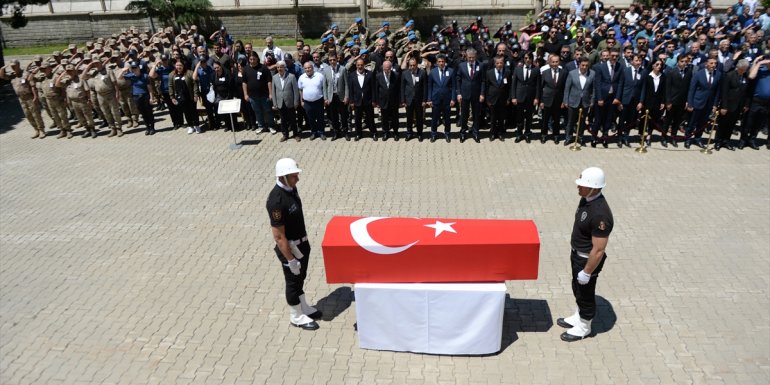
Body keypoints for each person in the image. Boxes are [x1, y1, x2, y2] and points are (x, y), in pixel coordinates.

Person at [558, 166, 613, 342]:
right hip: (577, 254)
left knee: (585, 292)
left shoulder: (600, 214)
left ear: (595, 187)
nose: (578, 187)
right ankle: (578, 315)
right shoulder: (586, 199)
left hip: (586, 259)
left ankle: (584, 326)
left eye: (582, 185)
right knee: (577, 287)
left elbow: (598, 249)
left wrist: (587, 271)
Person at [266, 158, 322, 331]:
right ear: (283, 177)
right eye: (294, 175)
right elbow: (279, 236)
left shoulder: (291, 189)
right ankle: (296, 316)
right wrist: (290, 259)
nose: (297, 178)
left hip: (301, 244)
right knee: (292, 281)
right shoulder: (276, 201)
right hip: (289, 249)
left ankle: (302, 306)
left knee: (300, 278)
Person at [1, 61, 46, 138]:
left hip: (30, 97)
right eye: (11, 66)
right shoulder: (12, 75)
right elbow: (2, 77)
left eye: (14, 66)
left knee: (36, 114)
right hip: (21, 99)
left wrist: (35, 97)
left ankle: (41, 130)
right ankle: (36, 129)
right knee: (28, 115)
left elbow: (32, 86)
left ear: (18, 65)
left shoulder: (25, 74)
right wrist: (2, 69)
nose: (12, 67)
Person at [685, 57, 721, 149]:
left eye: (715, 63)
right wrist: (690, 103)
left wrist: (715, 104)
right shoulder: (698, 74)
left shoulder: (718, 75)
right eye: (711, 63)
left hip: (708, 104)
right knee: (691, 123)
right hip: (697, 102)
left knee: (702, 123)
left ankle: (698, 138)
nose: (713, 65)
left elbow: (717, 91)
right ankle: (688, 138)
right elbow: (691, 90)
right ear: (706, 64)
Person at [714, 59, 749, 151]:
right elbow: (724, 92)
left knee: (731, 125)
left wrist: (745, 104)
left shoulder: (745, 76)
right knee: (722, 124)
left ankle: (726, 141)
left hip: (738, 106)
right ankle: (718, 141)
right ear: (738, 67)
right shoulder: (729, 75)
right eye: (742, 69)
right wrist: (724, 106)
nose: (744, 71)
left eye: (745, 69)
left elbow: (746, 92)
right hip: (728, 105)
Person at [739, 56, 770, 150]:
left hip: (767, 102)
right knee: (748, 121)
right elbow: (751, 76)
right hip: (756, 100)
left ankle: (752, 139)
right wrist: (759, 63)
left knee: (758, 123)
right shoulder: (760, 69)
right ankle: (743, 139)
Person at [563, 58, 596, 146]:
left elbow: (593, 89)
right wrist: (565, 101)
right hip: (573, 101)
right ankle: (568, 137)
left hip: (585, 102)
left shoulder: (592, 74)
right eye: (583, 65)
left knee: (582, 121)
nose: (584, 67)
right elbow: (567, 88)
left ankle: (580, 137)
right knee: (571, 121)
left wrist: (592, 100)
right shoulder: (572, 73)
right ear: (579, 65)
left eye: (586, 65)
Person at [119, 60, 156, 135]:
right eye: (132, 68)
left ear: (139, 68)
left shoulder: (145, 75)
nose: (134, 69)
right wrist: (123, 70)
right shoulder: (131, 75)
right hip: (136, 97)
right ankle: (147, 128)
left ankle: (152, 128)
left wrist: (151, 98)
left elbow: (149, 88)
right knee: (143, 113)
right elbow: (119, 78)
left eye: (135, 67)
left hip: (145, 96)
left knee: (149, 112)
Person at [663, 55, 692, 147]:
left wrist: (687, 101)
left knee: (677, 120)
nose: (684, 63)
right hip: (672, 101)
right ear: (678, 62)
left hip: (682, 101)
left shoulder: (688, 72)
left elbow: (688, 88)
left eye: (685, 62)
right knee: (668, 120)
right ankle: (664, 137)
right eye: (682, 61)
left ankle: (673, 137)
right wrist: (668, 101)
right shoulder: (672, 72)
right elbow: (667, 88)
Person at [242, 52, 275, 134]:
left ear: (257, 58)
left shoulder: (263, 68)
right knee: (257, 111)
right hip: (252, 96)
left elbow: (269, 81)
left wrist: (270, 93)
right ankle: (261, 126)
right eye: (250, 59)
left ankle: (271, 126)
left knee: (268, 111)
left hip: (264, 95)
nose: (252, 61)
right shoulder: (246, 69)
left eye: (254, 59)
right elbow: (244, 83)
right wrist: (245, 94)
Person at [456, 48, 484, 143]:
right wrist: (459, 93)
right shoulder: (461, 66)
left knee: (476, 114)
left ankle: (475, 132)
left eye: (473, 57)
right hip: (464, 94)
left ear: (475, 56)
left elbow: (483, 81)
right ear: (466, 57)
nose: (471, 59)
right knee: (464, 114)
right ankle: (463, 132)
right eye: (469, 57)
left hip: (476, 94)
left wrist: (482, 93)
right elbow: (458, 80)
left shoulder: (480, 65)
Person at [538, 55, 567, 144]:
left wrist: (564, 101)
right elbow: (541, 87)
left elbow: (565, 88)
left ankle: (556, 135)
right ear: (549, 62)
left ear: (559, 62)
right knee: (545, 120)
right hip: (546, 100)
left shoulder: (564, 72)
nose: (554, 64)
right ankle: (543, 135)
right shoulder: (545, 73)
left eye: (556, 62)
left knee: (556, 119)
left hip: (558, 100)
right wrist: (541, 101)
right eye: (553, 62)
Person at [427, 54, 456, 142]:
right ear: (436, 62)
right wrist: (429, 99)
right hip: (436, 99)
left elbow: (454, 86)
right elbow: (430, 87)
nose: (441, 63)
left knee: (447, 118)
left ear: (445, 62)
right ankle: (433, 134)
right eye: (439, 62)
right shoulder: (433, 72)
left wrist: (453, 99)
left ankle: (447, 133)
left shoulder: (451, 71)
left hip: (447, 99)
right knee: (434, 118)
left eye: (443, 61)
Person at [346, 58, 377, 141]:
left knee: (370, 118)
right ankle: (358, 134)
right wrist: (351, 101)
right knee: (357, 119)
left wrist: (374, 100)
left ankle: (374, 133)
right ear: (356, 65)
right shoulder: (352, 75)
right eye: (358, 65)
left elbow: (373, 88)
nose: (360, 66)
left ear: (364, 65)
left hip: (368, 101)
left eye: (361, 65)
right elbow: (351, 90)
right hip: (357, 101)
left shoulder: (370, 74)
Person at [510, 52, 538, 143]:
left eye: (529, 58)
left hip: (530, 97)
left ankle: (527, 133)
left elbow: (538, 86)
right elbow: (513, 84)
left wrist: (536, 98)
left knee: (529, 117)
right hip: (519, 97)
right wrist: (513, 97)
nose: (527, 60)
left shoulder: (536, 70)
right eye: (526, 58)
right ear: (523, 59)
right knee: (519, 117)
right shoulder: (518, 69)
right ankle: (519, 133)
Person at [166, 60, 200, 134]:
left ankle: (197, 125)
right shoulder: (172, 74)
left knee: (193, 111)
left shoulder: (189, 73)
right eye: (177, 65)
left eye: (180, 65)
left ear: (183, 65)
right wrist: (172, 97)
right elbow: (170, 86)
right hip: (180, 97)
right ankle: (190, 126)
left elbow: (194, 84)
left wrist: (195, 94)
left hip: (190, 96)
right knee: (186, 112)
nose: (178, 67)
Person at [272, 61, 301, 142]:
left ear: (285, 67)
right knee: (283, 120)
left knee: (293, 120)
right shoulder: (274, 77)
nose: (279, 69)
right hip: (280, 102)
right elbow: (273, 91)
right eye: (278, 67)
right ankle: (285, 135)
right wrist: (275, 103)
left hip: (290, 102)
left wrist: (296, 102)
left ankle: (296, 134)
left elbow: (296, 91)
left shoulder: (291, 77)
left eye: (281, 67)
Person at [322, 53, 349, 140]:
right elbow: (325, 85)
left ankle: (345, 132)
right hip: (331, 97)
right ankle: (336, 132)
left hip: (341, 96)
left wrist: (346, 96)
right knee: (334, 116)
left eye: (334, 60)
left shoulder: (343, 69)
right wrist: (326, 98)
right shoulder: (326, 71)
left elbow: (346, 85)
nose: (332, 61)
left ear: (337, 60)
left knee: (344, 115)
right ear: (328, 61)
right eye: (330, 60)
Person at [298, 61, 327, 140]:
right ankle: (314, 132)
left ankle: (321, 132)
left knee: (320, 117)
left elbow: (324, 88)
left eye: (309, 67)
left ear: (312, 68)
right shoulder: (301, 77)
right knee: (310, 119)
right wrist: (301, 101)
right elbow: (300, 90)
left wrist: (325, 99)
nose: (308, 69)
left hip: (319, 100)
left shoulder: (320, 76)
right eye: (306, 68)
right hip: (307, 102)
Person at [400, 57, 427, 141]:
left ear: (417, 65)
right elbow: (402, 88)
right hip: (409, 99)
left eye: (414, 65)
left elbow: (425, 87)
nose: (412, 67)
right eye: (410, 65)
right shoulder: (405, 73)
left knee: (419, 117)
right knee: (409, 117)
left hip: (419, 100)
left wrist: (424, 100)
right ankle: (409, 133)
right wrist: (403, 100)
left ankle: (419, 133)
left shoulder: (422, 73)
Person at [374, 60, 401, 140]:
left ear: (391, 68)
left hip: (394, 100)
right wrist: (377, 101)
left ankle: (395, 132)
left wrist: (400, 100)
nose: (386, 71)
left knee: (395, 118)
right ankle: (385, 132)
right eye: (385, 69)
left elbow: (399, 89)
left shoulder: (396, 75)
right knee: (384, 118)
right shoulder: (378, 76)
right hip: (383, 100)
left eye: (388, 69)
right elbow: (376, 89)